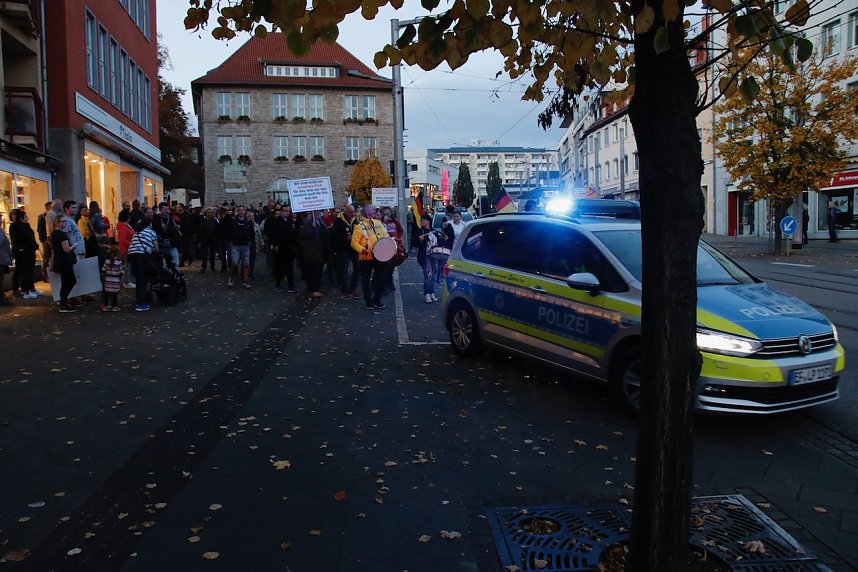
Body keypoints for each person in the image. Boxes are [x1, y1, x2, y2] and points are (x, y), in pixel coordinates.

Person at [351, 204, 389, 310]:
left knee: (381, 279)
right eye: (373, 210)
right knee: (366, 281)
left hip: (380, 257)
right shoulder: (359, 227)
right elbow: (354, 243)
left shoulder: (378, 223)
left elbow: (385, 236)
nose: (375, 211)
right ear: (367, 213)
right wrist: (363, 250)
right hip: (366, 258)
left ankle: (377, 300)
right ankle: (369, 302)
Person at [126, 217, 158, 312]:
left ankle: (140, 300)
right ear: (149, 224)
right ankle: (141, 303)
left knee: (139, 279)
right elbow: (157, 248)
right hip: (141, 256)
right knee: (142, 280)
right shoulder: (151, 232)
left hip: (131, 255)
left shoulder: (137, 232)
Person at [267, 204, 299, 293]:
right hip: (280, 248)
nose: (287, 213)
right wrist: (275, 244)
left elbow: (293, 234)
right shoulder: (276, 222)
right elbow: (272, 234)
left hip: (289, 248)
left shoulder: (290, 221)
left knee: (289, 267)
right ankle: (277, 284)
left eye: (288, 211)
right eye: (285, 211)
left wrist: (294, 245)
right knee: (279, 267)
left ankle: (291, 285)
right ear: (281, 211)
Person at [50, 216, 78, 313]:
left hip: (60, 260)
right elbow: (66, 249)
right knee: (70, 281)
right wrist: (73, 246)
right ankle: (63, 304)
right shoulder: (62, 235)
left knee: (65, 282)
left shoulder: (54, 234)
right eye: (63, 221)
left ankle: (63, 302)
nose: (65, 223)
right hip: (65, 261)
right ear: (57, 223)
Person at [10, 209, 40, 299]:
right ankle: (26, 290)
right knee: (25, 271)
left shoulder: (24, 226)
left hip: (25, 251)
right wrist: (34, 245)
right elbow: (26, 238)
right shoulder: (18, 227)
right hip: (24, 251)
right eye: (25, 217)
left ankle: (30, 288)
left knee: (27, 271)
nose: (27, 218)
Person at [298, 210, 328, 298]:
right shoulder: (307, 225)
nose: (318, 214)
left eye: (319, 212)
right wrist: (312, 229)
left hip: (320, 252)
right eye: (316, 212)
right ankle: (312, 289)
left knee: (318, 272)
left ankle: (316, 289)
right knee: (312, 272)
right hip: (311, 253)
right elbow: (304, 238)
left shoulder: (321, 223)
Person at [332, 204, 360, 300]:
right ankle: (345, 291)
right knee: (344, 270)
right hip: (343, 249)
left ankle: (353, 288)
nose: (353, 214)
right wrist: (346, 238)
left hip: (354, 248)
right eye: (351, 212)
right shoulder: (338, 222)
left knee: (357, 267)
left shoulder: (355, 221)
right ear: (345, 212)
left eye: (353, 212)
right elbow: (334, 237)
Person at [227, 205, 254, 288]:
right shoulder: (233, 222)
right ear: (237, 211)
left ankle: (245, 281)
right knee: (235, 262)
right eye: (239, 210)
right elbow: (230, 232)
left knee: (246, 263)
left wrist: (250, 241)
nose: (241, 212)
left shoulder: (249, 222)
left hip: (245, 245)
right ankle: (232, 276)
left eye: (242, 210)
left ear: (244, 211)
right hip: (236, 245)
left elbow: (252, 233)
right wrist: (231, 241)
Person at [379, 207, 404, 294]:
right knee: (386, 267)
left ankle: (390, 284)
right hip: (385, 245)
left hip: (394, 244)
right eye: (384, 214)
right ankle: (386, 286)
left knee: (391, 266)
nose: (386, 215)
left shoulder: (395, 221)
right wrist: (384, 222)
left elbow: (400, 230)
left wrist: (398, 238)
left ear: (391, 213)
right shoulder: (380, 222)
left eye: (388, 214)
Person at [415, 213, 439, 303]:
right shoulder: (420, 231)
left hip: (435, 256)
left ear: (428, 221)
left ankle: (432, 293)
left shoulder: (434, 231)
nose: (422, 222)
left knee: (433, 275)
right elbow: (414, 242)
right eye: (421, 220)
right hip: (425, 256)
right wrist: (419, 240)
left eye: (424, 220)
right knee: (428, 275)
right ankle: (427, 294)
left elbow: (439, 242)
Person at [429, 217, 454, 284]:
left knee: (442, 264)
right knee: (443, 264)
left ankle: (439, 277)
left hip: (444, 249)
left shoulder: (446, 231)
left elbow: (446, 239)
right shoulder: (449, 229)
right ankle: (441, 277)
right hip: (445, 249)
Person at [100, 244, 124, 311]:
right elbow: (121, 271)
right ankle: (114, 306)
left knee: (107, 294)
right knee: (114, 295)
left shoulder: (107, 261)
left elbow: (103, 269)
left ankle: (106, 306)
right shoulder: (119, 262)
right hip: (115, 281)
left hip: (108, 280)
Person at [115, 210, 136, 288]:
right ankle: (127, 281)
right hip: (127, 249)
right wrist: (131, 245)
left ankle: (127, 280)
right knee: (127, 266)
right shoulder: (123, 227)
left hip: (128, 248)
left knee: (127, 265)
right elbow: (124, 239)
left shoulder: (124, 226)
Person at [197, 207, 219, 273]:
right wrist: (199, 241)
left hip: (213, 240)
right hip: (204, 240)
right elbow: (200, 232)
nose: (210, 214)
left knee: (212, 255)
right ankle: (204, 267)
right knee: (204, 255)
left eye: (211, 213)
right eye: (208, 213)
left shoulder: (215, 221)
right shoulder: (203, 221)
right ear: (206, 213)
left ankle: (213, 267)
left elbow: (217, 230)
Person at [36, 201, 52, 281]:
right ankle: (45, 275)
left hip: (51, 239)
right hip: (46, 240)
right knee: (46, 257)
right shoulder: (42, 217)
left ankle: (49, 275)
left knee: (50, 257)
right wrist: (44, 239)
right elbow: (40, 229)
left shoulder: (52, 215)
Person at [0, 212, 13, 306]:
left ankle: (2, 297)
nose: (1, 220)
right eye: (0, 218)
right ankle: (1, 298)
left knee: (1, 278)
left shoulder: (0, 229)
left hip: (2, 258)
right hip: (1, 258)